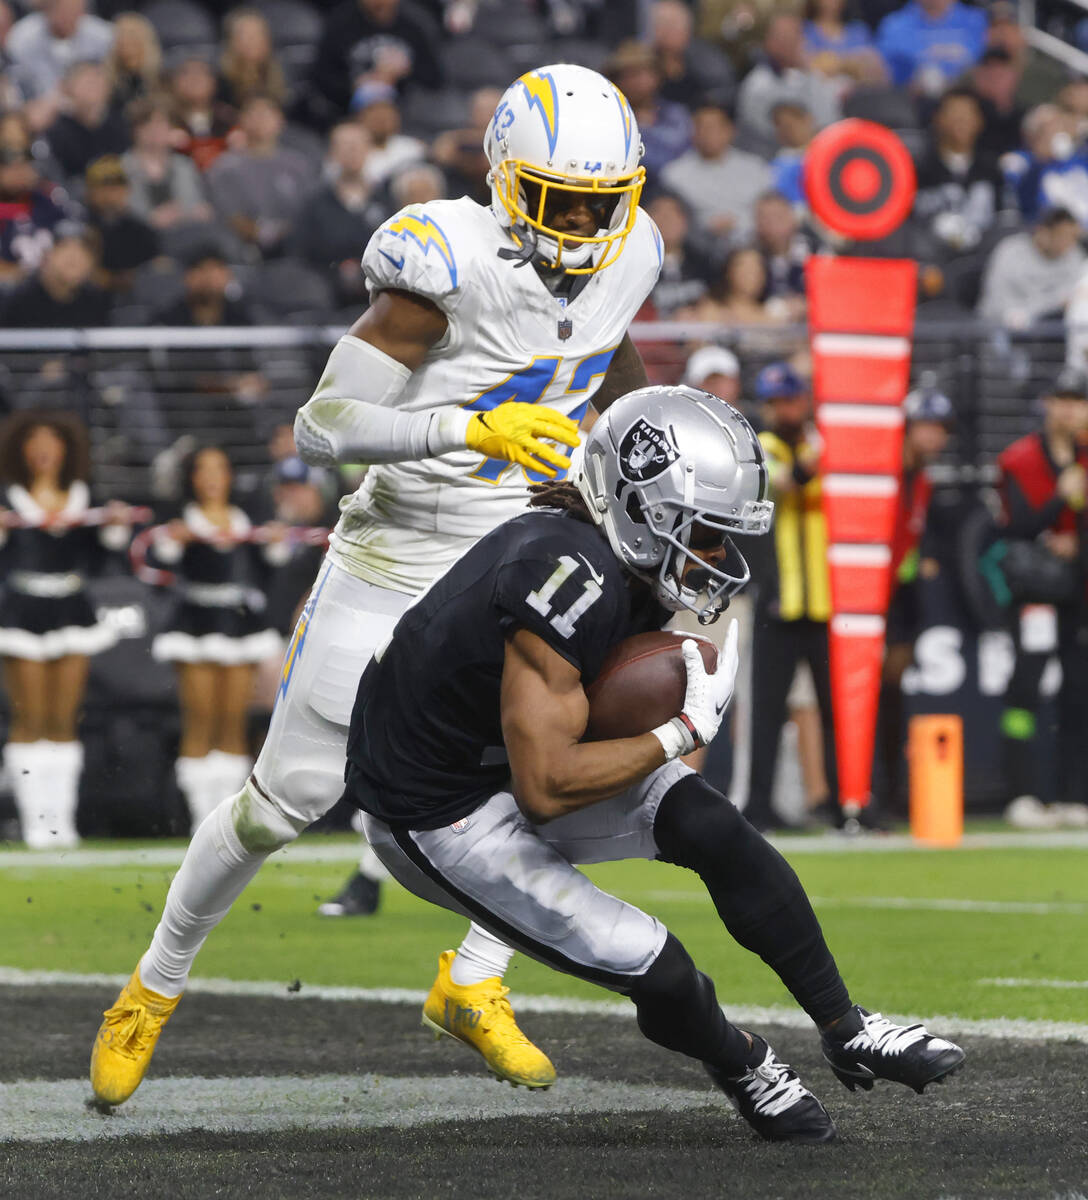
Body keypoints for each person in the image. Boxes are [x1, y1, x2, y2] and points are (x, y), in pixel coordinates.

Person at [90, 64, 662, 1108]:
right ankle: (153, 985)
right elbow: (322, 427)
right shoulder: (443, 256)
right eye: (560, 199)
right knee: (284, 804)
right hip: (396, 553)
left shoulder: (637, 253)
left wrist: (640, 441)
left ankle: (472, 982)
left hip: (512, 554)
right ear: (506, 178)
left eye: (600, 201)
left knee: (549, 780)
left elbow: (605, 352)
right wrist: (468, 428)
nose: (584, 223)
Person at [344, 384, 964, 1144]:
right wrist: (680, 731)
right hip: (439, 812)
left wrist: (667, 739)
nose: (716, 555)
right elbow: (545, 788)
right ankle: (743, 1063)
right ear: (643, 511)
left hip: (499, 759)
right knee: (656, 964)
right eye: (705, 531)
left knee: (710, 825)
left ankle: (848, 1026)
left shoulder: (617, 557)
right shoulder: (566, 577)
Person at [0, 411, 134, 848]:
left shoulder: (84, 496)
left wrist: (115, 527)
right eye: (34, 441)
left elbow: (105, 552)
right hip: (22, 610)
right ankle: (33, 821)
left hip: (72, 608)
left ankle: (60, 819)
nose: (43, 450)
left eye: (52, 441)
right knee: (29, 717)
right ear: (21, 449)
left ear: (65, 448)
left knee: (63, 718)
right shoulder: (8, 497)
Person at [148, 446, 287, 832]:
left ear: (229, 476)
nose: (211, 477)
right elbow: (157, 565)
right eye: (203, 469)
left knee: (232, 722)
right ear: (191, 478)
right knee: (200, 719)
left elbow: (268, 569)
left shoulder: (246, 520)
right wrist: (174, 540)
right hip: (195, 623)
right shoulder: (180, 520)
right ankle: (200, 817)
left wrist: (273, 542)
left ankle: (226, 815)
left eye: (219, 468)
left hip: (239, 624)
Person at [744, 362, 838, 832]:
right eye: (775, 402)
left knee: (836, 712)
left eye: (790, 399)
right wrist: (824, 451)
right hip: (779, 601)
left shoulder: (820, 444)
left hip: (827, 602)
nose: (783, 409)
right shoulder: (762, 445)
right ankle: (758, 805)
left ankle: (842, 802)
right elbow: (784, 483)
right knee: (766, 710)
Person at [997, 368, 1088, 827]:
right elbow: (1014, 528)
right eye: (1061, 399)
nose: (1069, 409)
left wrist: (1076, 541)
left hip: (1079, 594)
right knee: (1025, 691)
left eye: (1078, 400)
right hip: (1036, 593)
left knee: (1079, 692)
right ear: (1047, 404)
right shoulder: (1020, 459)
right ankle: (1022, 793)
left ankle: (1074, 796)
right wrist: (1059, 500)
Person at [878, 384, 953, 814]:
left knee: (893, 692)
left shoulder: (922, 478)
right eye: (927, 425)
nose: (934, 436)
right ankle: (870, 788)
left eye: (940, 428)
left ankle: (891, 790)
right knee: (870, 694)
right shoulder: (884, 472)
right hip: (872, 597)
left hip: (901, 597)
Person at [205, 94, 312, 260]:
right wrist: (266, 235)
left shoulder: (299, 165)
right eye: (254, 114)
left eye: (267, 114)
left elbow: (310, 210)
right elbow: (229, 216)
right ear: (242, 120)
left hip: (297, 249)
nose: (260, 120)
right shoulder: (225, 167)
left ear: (281, 121)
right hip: (243, 252)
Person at [661, 105, 772, 247]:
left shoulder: (756, 168)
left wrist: (741, 223)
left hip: (755, 243)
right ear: (692, 132)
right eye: (702, 127)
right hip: (698, 247)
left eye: (715, 127)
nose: (708, 133)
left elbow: (771, 211)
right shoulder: (674, 174)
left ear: (730, 131)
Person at [736, 12, 841, 145]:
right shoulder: (756, 85)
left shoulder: (814, 77)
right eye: (785, 39)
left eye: (796, 37)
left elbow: (829, 120)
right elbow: (760, 135)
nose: (793, 45)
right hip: (769, 153)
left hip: (816, 148)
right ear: (770, 43)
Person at [977, 206, 1085, 330]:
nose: (1068, 244)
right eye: (1063, 236)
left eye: (1073, 237)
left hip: (1051, 326)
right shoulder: (1010, 251)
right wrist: (1051, 303)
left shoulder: (1073, 255)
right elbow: (997, 302)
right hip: (1001, 326)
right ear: (1043, 232)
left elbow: (1074, 295)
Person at [874, 0, 987, 94]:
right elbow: (884, 71)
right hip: (912, 99)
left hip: (970, 96)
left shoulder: (977, 21)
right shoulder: (894, 25)